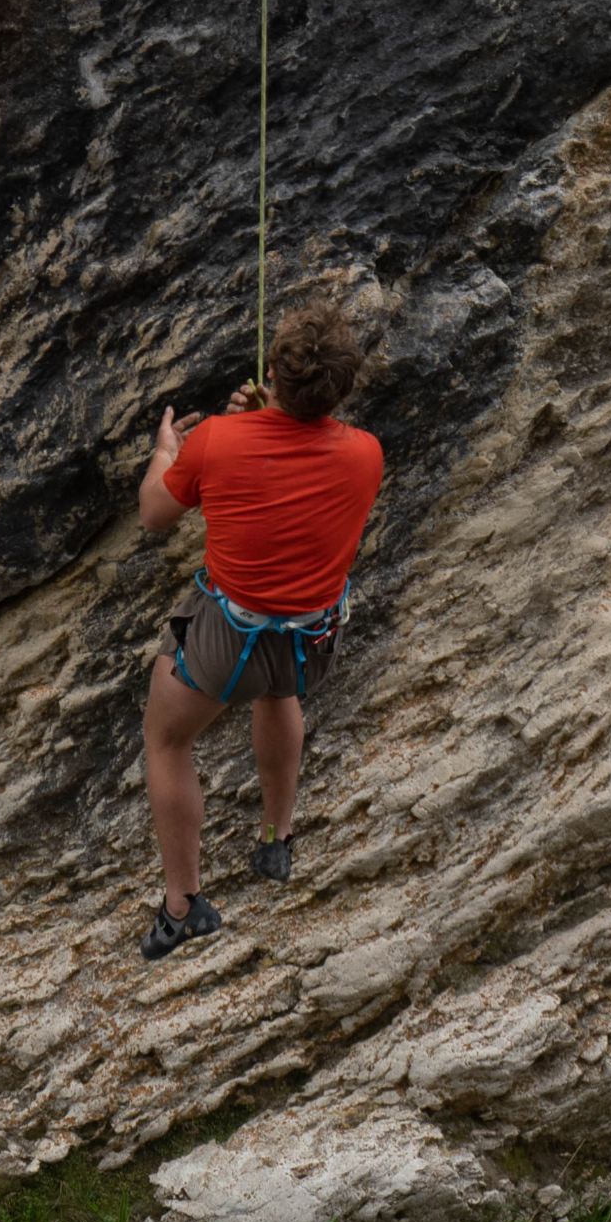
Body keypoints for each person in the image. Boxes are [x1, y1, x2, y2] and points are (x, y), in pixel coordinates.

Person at [133, 290, 383, 960]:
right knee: (280, 694)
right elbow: (300, 449)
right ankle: (277, 839)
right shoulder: (366, 454)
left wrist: (167, 450)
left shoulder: (217, 441)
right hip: (308, 643)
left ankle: (183, 905)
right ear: (339, 390)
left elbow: (156, 513)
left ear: (273, 374)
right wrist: (273, 417)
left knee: (166, 739)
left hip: (225, 641)